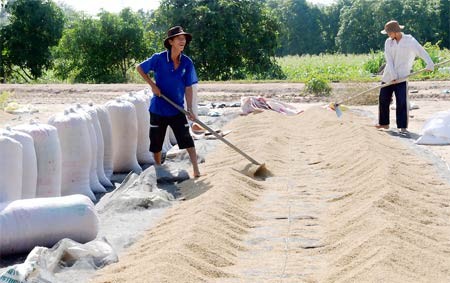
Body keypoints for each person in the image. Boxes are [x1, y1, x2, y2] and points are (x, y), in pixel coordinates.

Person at [136, 26, 200, 177]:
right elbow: (140, 68)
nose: (183, 41)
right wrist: (153, 86)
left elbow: (188, 86)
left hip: (177, 108)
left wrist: (189, 108)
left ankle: (196, 169)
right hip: (158, 108)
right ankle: (158, 168)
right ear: (171, 42)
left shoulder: (186, 62)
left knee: (186, 138)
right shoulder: (158, 58)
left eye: (184, 39)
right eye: (179, 38)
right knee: (156, 141)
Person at [376, 20, 434, 133]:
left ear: (395, 32)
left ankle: (402, 127)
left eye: (389, 32)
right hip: (388, 75)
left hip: (402, 76)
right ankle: (384, 123)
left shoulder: (410, 41)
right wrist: (393, 75)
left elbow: (421, 51)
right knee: (383, 99)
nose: (388, 35)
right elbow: (389, 60)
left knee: (402, 102)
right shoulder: (388, 42)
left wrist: (429, 63)